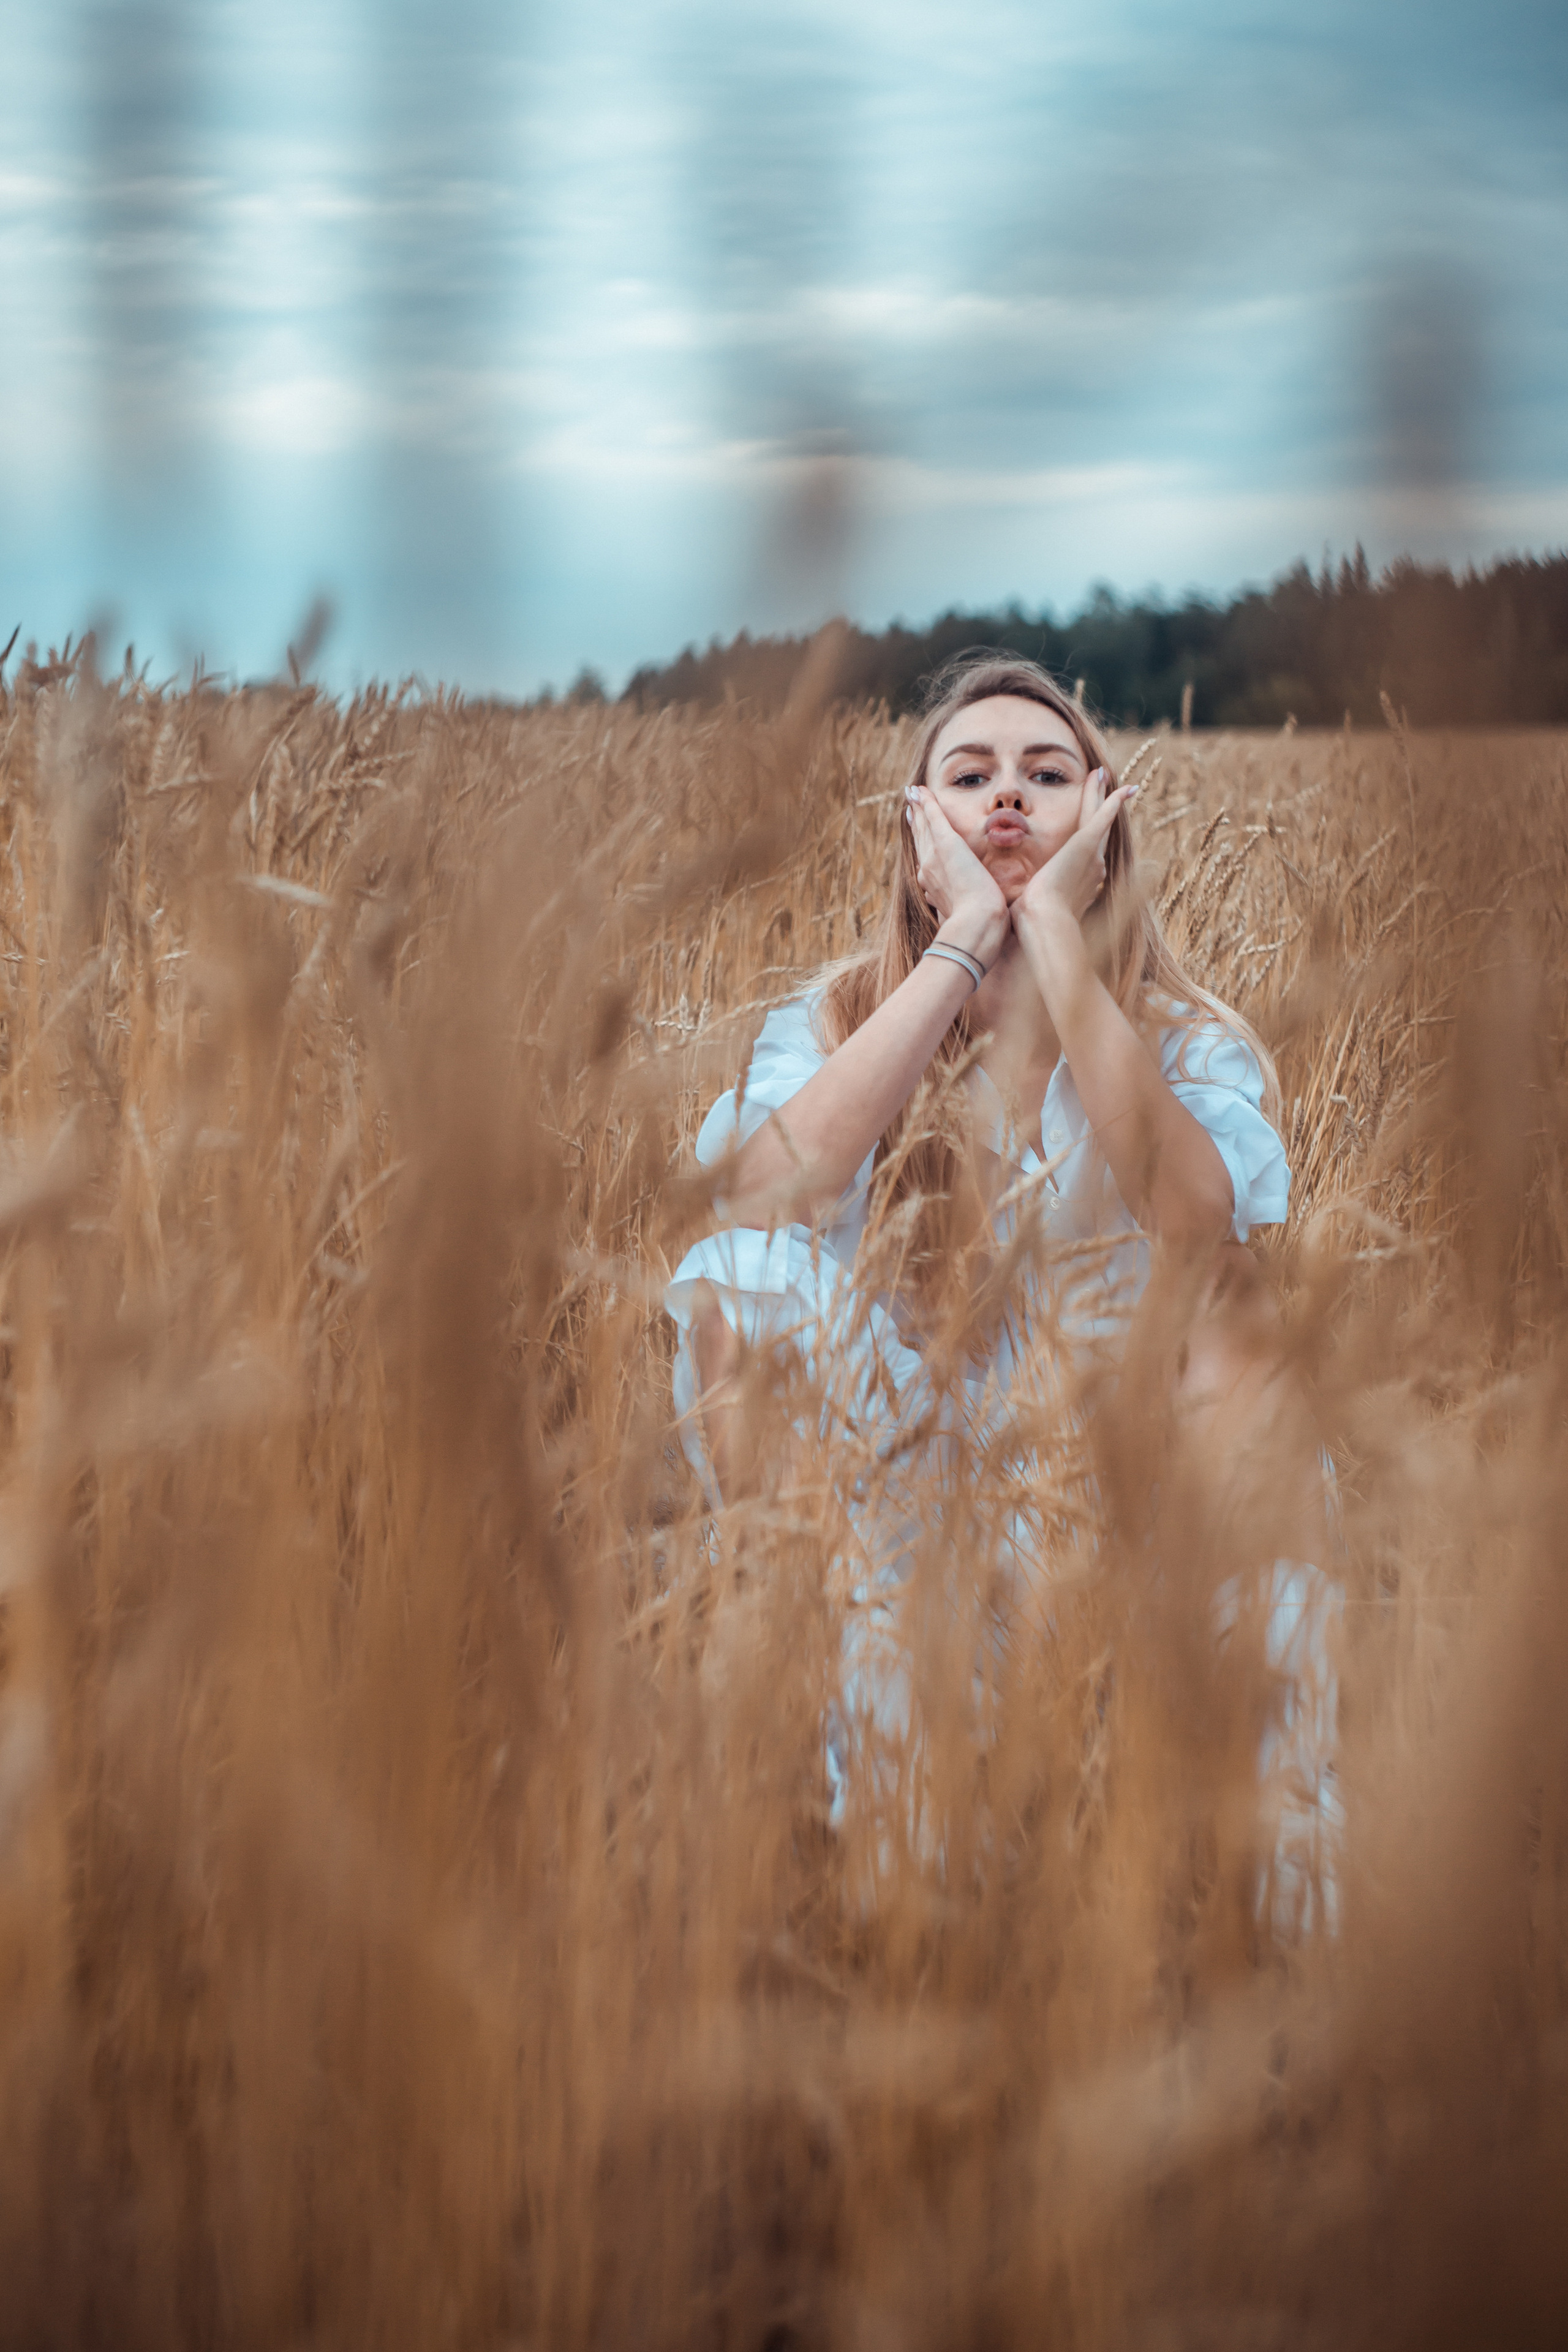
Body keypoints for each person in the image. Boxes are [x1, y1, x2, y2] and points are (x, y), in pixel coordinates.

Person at [665, 655, 1340, 1928]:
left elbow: (1197, 1224)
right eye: (967, 778)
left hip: (1125, 1476)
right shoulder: (836, 1021)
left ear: (1103, 815)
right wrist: (966, 945)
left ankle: (1278, 1868)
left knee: (1231, 1310)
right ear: (920, 830)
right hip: (898, 1487)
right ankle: (905, 1834)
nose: (1008, 800)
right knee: (738, 1278)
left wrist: (1060, 956)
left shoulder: (1183, 1040)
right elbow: (758, 1195)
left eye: (1043, 773)